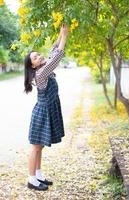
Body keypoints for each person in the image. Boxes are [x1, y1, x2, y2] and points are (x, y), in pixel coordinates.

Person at [24, 24, 69, 191]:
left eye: (38, 55)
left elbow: (53, 51)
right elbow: (56, 58)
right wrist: (64, 36)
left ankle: (38, 175)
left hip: (46, 111)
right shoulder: (41, 73)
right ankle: (31, 180)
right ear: (33, 66)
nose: (39, 57)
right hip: (42, 113)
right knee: (36, 146)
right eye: (35, 58)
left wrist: (59, 35)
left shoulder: (43, 68)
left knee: (40, 145)